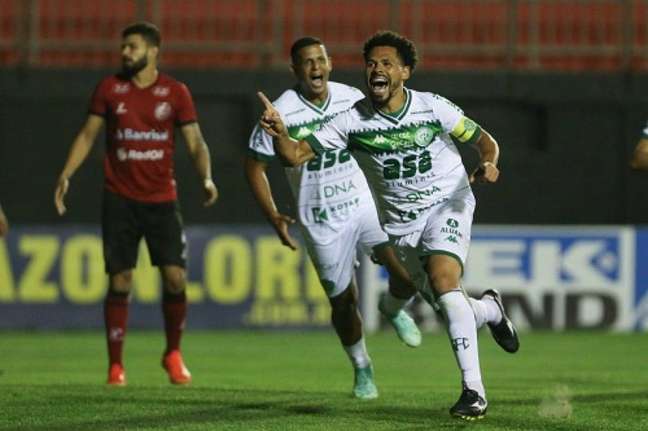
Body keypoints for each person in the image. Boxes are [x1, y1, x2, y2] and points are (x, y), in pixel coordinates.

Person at [258, 31, 519, 420]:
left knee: (446, 282)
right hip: (401, 228)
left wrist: (489, 162)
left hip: (448, 203)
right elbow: (295, 156)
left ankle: (474, 392)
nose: (376, 69)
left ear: (405, 72)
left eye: (386, 63)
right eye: (371, 63)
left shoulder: (433, 108)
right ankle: (490, 310)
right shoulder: (351, 121)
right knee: (451, 307)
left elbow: (485, 141)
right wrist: (281, 134)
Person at [246, 37, 422, 400]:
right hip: (321, 216)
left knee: (408, 277)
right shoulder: (281, 111)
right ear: (295, 69)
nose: (315, 67)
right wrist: (273, 214)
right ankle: (362, 368)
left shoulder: (350, 97)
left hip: (364, 202)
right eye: (306, 62)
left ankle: (391, 308)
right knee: (343, 302)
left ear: (329, 65)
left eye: (320, 60)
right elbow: (254, 166)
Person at [54, 22, 218, 386]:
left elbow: (195, 142)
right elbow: (87, 135)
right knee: (121, 279)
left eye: (132, 46)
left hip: (162, 199)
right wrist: (67, 173)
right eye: (123, 48)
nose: (125, 53)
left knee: (175, 278)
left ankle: (173, 353)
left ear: (153, 50)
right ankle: (116, 364)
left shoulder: (175, 92)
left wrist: (206, 177)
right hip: (119, 199)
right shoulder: (110, 89)